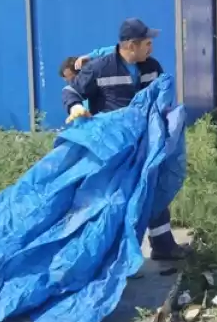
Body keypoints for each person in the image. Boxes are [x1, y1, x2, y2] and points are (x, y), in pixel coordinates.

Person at [62, 18, 189, 261]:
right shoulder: (99, 68)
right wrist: (75, 107)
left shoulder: (151, 67)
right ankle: (110, 257)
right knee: (115, 201)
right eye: (147, 43)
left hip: (146, 143)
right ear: (132, 45)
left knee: (154, 188)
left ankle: (162, 244)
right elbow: (71, 91)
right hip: (113, 149)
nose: (151, 48)